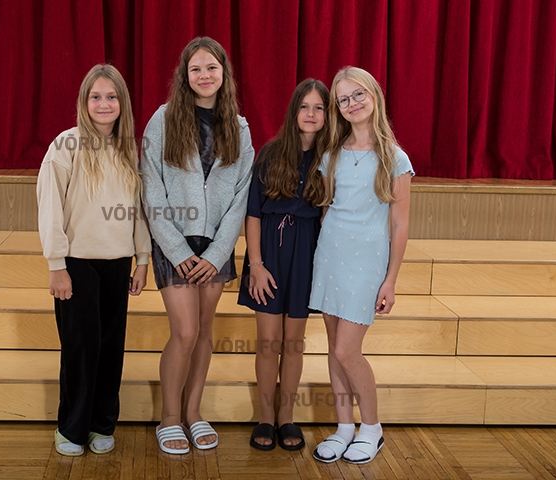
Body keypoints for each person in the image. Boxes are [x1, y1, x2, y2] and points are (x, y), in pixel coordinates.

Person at [141, 36, 254, 455]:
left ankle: (193, 412)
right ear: (184, 75)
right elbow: (151, 190)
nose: (204, 75)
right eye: (196, 69)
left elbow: (241, 196)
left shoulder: (239, 127)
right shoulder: (163, 119)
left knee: (204, 331)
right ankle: (169, 417)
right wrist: (179, 252)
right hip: (174, 241)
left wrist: (218, 252)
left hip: (216, 246)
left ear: (223, 73)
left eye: (211, 68)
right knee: (185, 331)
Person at [36, 64, 150, 457]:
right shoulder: (66, 145)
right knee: (80, 350)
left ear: (122, 103)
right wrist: (57, 265)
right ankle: (71, 428)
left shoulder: (126, 150)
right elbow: (50, 207)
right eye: (96, 96)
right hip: (77, 264)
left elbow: (137, 210)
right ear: (84, 102)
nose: (104, 104)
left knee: (110, 348)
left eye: (111, 96)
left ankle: (102, 424)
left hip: (117, 263)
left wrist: (142, 258)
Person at [310, 66, 414, 465]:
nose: (352, 103)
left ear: (374, 96)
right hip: (330, 256)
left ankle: (371, 428)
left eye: (358, 95)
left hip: (367, 261)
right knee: (334, 350)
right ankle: (343, 427)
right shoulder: (331, 154)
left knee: (347, 349)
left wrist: (391, 279)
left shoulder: (394, 158)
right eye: (343, 99)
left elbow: (399, 223)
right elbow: (328, 209)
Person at [237, 79, 329, 451]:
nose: (311, 114)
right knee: (268, 341)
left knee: (293, 343)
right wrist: (256, 265)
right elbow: (253, 214)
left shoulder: (330, 159)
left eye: (319, 108)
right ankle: (264, 416)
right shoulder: (271, 153)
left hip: (307, 254)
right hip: (269, 254)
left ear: (328, 115)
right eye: (304, 106)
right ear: (294, 111)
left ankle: (286, 417)